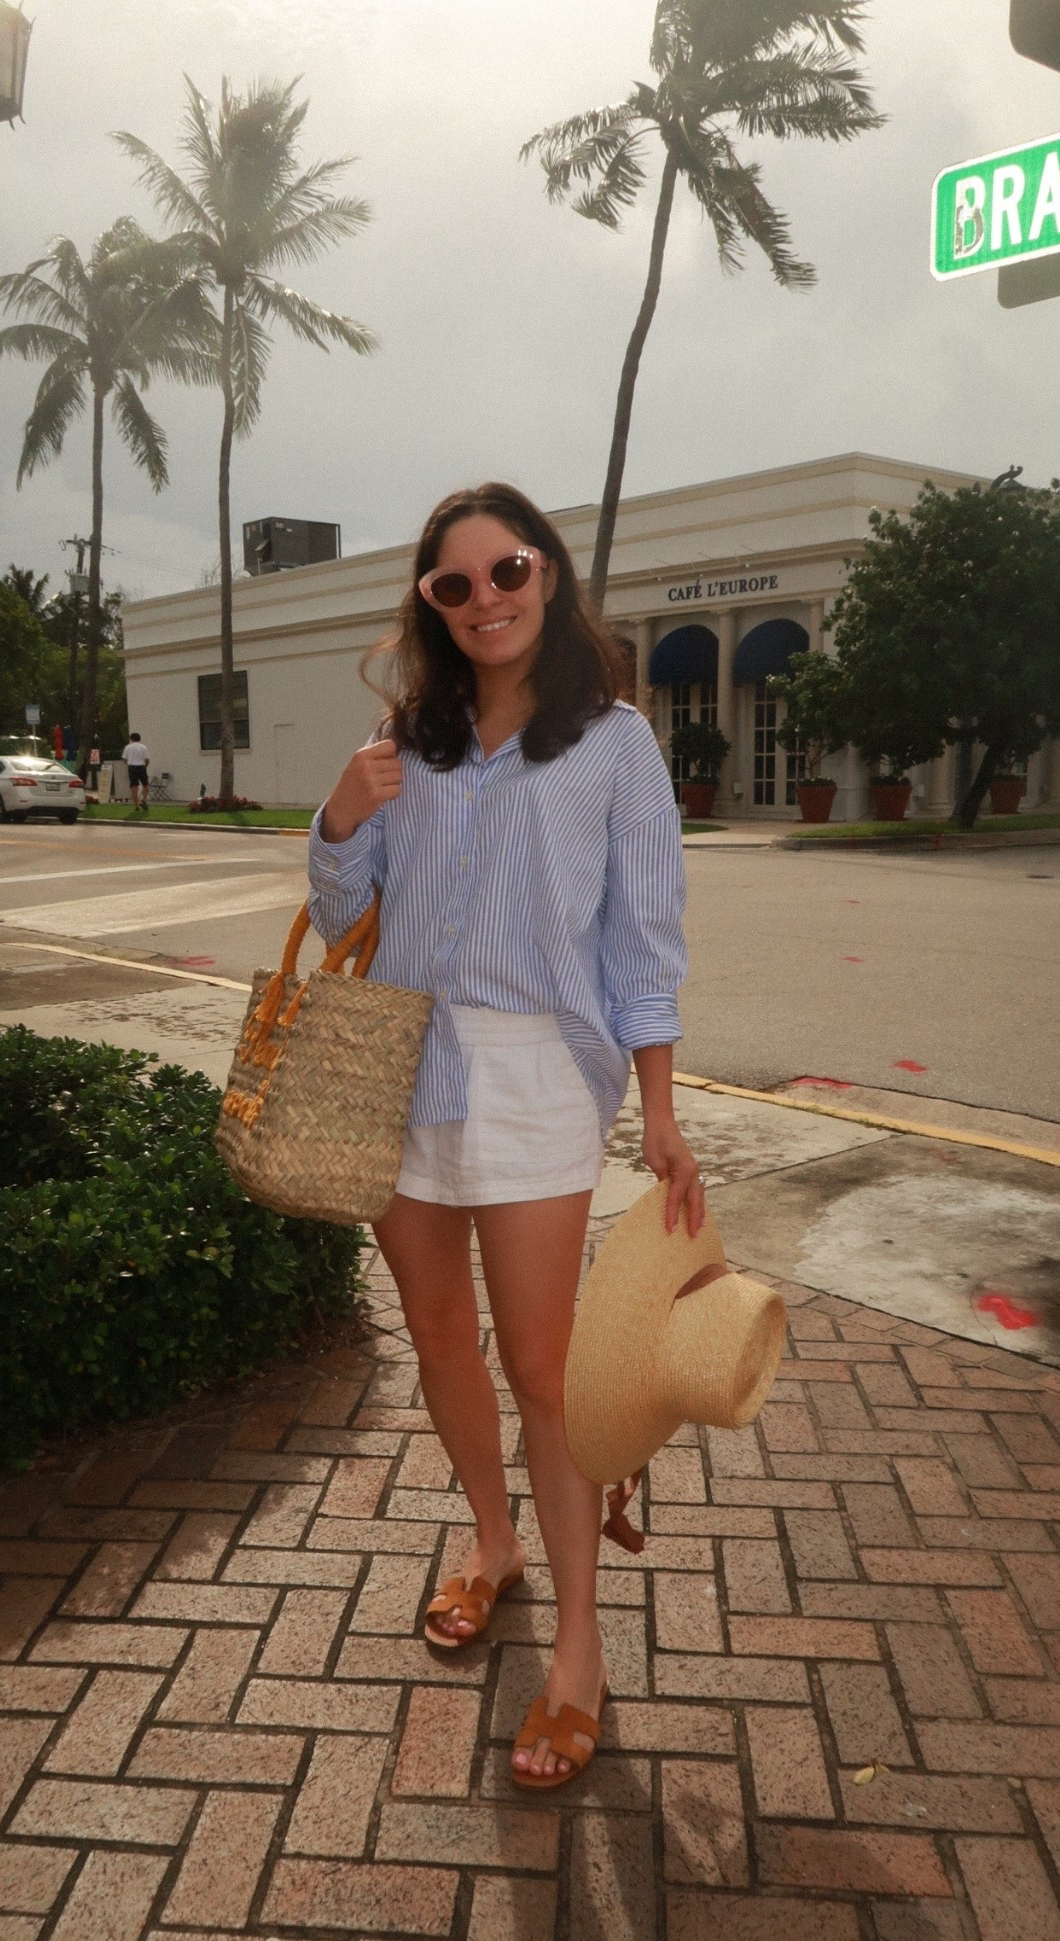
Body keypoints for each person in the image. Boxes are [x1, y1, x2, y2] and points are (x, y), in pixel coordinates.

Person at [308, 483, 711, 1788]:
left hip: (540, 1083)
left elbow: (641, 940)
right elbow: (337, 915)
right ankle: (492, 1542)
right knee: (437, 1339)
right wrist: (340, 816)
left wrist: (656, 1108)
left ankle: (580, 1647)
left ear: (548, 578)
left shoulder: (613, 745)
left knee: (546, 1376)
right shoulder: (401, 740)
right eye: (453, 584)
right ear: (428, 604)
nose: (484, 598)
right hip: (401, 1076)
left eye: (507, 571)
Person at [121, 731, 150, 812]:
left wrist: (129, 765)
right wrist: (144, 767)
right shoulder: (143, 747)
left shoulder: (128, 747)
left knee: (134, 788)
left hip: (132, 767)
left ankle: (136, 806)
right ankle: (144, 799)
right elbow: (147, 760)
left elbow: (124, 758)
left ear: (131, 739)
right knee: (145, 785)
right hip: (141, 766)